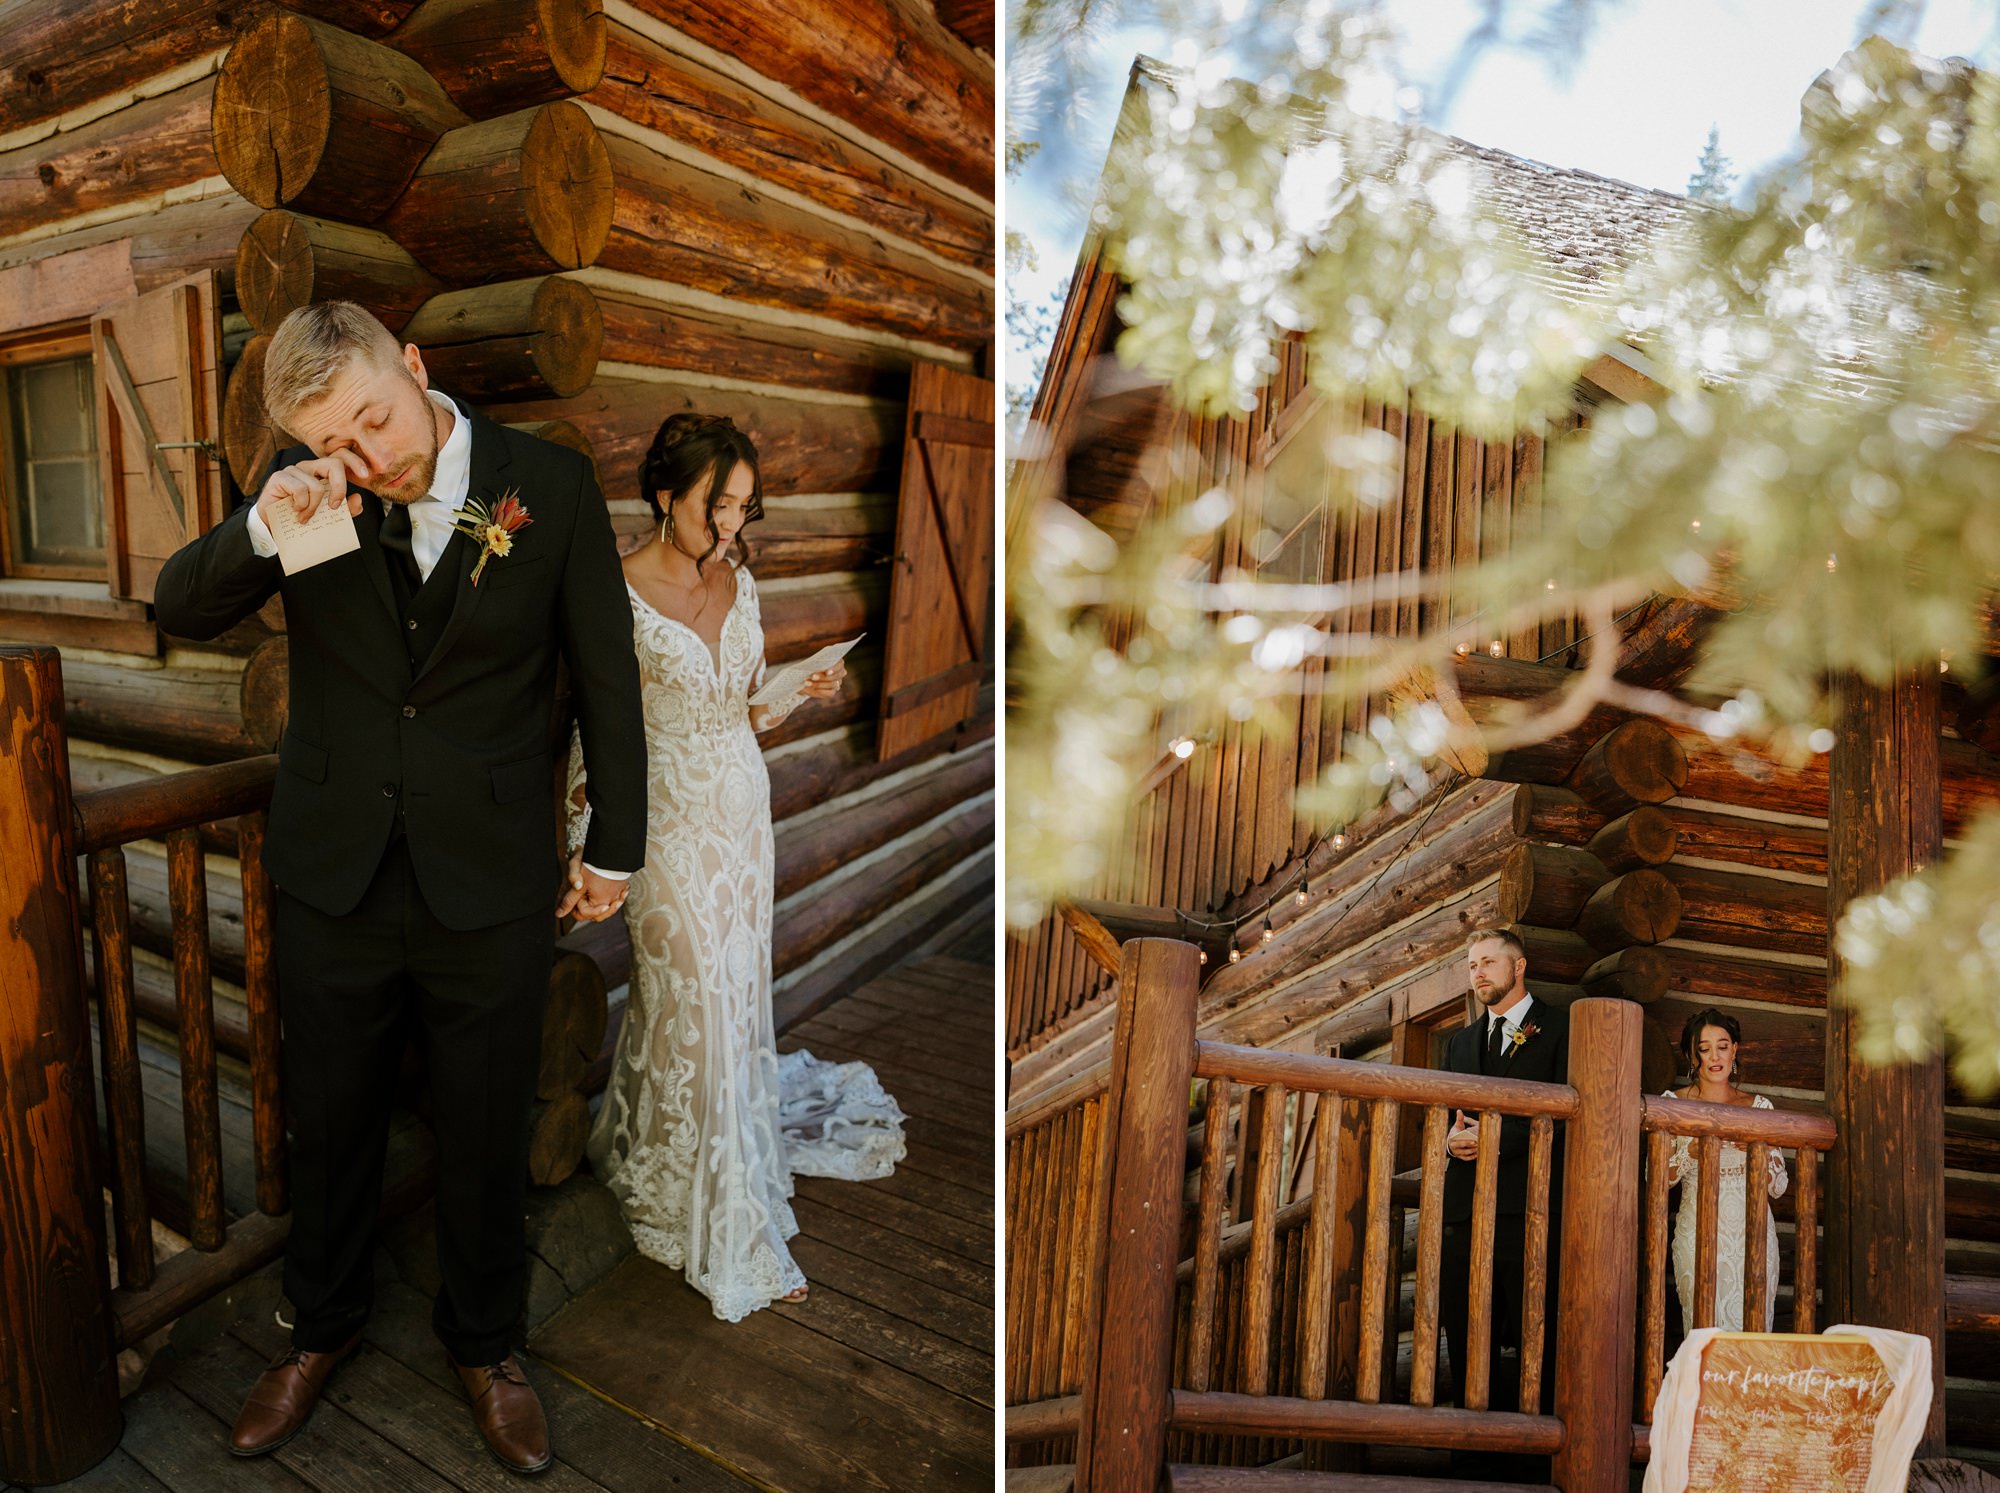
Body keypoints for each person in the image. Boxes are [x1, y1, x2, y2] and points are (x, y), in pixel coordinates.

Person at [154, 301, 645, 1475]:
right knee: (329, 1119)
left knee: (484, 1118)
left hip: (490, 869)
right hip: (336, 870)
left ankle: (486, 1346)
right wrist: (267, 528)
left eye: (375, 418)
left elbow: (605, 678)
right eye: (339, 441)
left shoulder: (549, 487)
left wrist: (613, 845)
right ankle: (315, 1333)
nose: (368, 457)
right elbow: (179, 606)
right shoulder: (310, 491)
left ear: (415, 366)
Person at [566, 412, 906, 1322]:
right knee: (694, 999)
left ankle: (664, 1152)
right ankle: (715, 1214)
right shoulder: (617, 589)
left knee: (735, 993)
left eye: (744, 510)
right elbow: (599, 725)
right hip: (666, 821)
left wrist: (797, 687)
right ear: (666, 495)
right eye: (717, 507)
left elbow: (740, 708)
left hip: (741, 812)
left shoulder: (739, 582)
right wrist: (587, 842)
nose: (729, 528)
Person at [1437, 927, 1569, 1473]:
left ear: (1519, 968)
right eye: (1472, 966)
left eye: (1488, 963)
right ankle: (1472, 1453)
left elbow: (1562, 1114)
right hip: (1468, 1209)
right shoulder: (1461, 1043)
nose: (1478, 974)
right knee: (1466, 1326)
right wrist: (1450, 1137)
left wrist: (1491, 1139)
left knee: (1536, 1327)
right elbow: (1449, 1112)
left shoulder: (1561, 1028)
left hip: (1531, 1207)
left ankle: (1538, 1457)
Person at [1663, 1008, 1788, 1333]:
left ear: (1735, 1048)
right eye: (1704, 1049)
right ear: (1692, 1056)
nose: (1714, 1056)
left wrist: (1757, 1153)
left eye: (1722, 1045)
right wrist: (1691, 1151)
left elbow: (1778, 1186)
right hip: (1699, 1231)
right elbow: (1659, 1178)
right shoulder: (1673, 1104)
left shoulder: (1759, 1107)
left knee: (1755, 1334)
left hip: (1754, 1234)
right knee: (1704, 1331)